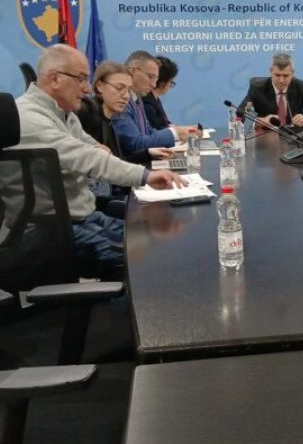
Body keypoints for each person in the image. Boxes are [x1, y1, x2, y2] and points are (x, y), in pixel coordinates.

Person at [15, 45, 186, 279]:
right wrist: (145, 176)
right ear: (55, 79)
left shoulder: (64, 114)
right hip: (53, 229)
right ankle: (114, 302)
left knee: (155, 243)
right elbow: (87, 156)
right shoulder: (30, 118)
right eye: (81, 79)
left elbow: (92, 146)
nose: (87, 89)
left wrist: (96, 150)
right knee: (140, 263)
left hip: (85, 217)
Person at [78, 61, 174, 164]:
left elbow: (117, 159)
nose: (126, 96)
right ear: (100, 86)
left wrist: (148, 153)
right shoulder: (86, 112)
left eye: (129, 90)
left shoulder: (110, 117)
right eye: (119, 88)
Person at [112, 50, 193, 157]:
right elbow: (135, 143)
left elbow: (149, 132)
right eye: (150, 77)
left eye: (156, 79)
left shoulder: (138, 99)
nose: (154, 85)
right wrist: (175, 133)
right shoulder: (121, 101)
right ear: (132, 71)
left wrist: (176, 132)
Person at [238, 53, 303, 128]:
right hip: (265, 136)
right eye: (277, 75)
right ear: (270, 72)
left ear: (292, 73)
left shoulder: (301, 87)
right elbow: (240, 113)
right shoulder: (257, 87)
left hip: (294, 137)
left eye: (285, 76)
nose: (281, 80)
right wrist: (262, 121)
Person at [143, 56, 178, 130]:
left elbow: (165, 123)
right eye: (171, 82)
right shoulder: (147, 103)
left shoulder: (155, 99)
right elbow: (158, 128)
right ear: (163, 83)